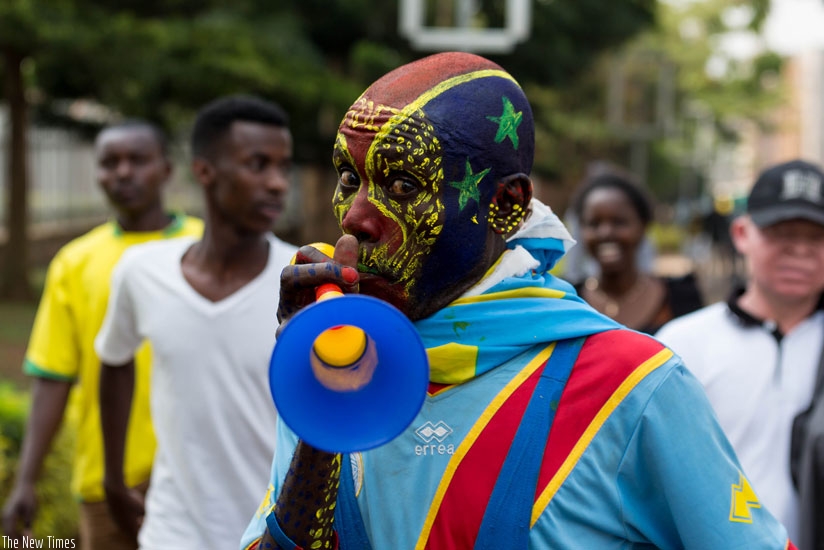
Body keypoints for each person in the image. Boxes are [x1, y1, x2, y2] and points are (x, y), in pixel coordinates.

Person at [240, 52, 795, 549]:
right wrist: (321, 407)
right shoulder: (335, 362)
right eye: (348, 177)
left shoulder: (630, 385)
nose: (357, 218)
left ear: (505, 204)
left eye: (403, 186)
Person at [95, 95, 297, 550]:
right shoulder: (141, 272)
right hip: (172, 533)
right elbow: (114, 360)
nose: (277, 183)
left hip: (273, 536)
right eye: (258, 164)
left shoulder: (303, 286)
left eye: (284, 168)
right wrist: (113, 475)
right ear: (205, 171)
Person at [1, 121, 203, 549]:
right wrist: (26, 481)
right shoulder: (74, 263)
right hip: (108, 486)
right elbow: (53, 377)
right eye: (110, 163)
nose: (123, 173)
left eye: (138, 160)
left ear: (166, 170)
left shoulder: (207, 248)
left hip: (199, 479)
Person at [656, 158, 824, 546]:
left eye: (815, 238)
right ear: (742, 233)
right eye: (782, 233)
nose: (799, 251)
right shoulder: (683, 345)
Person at [571, 166, 703, 333]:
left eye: (619, 222)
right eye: (594, 224)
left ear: (643, 226)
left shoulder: (681, 299)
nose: (605, 233)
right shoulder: (566, 302)